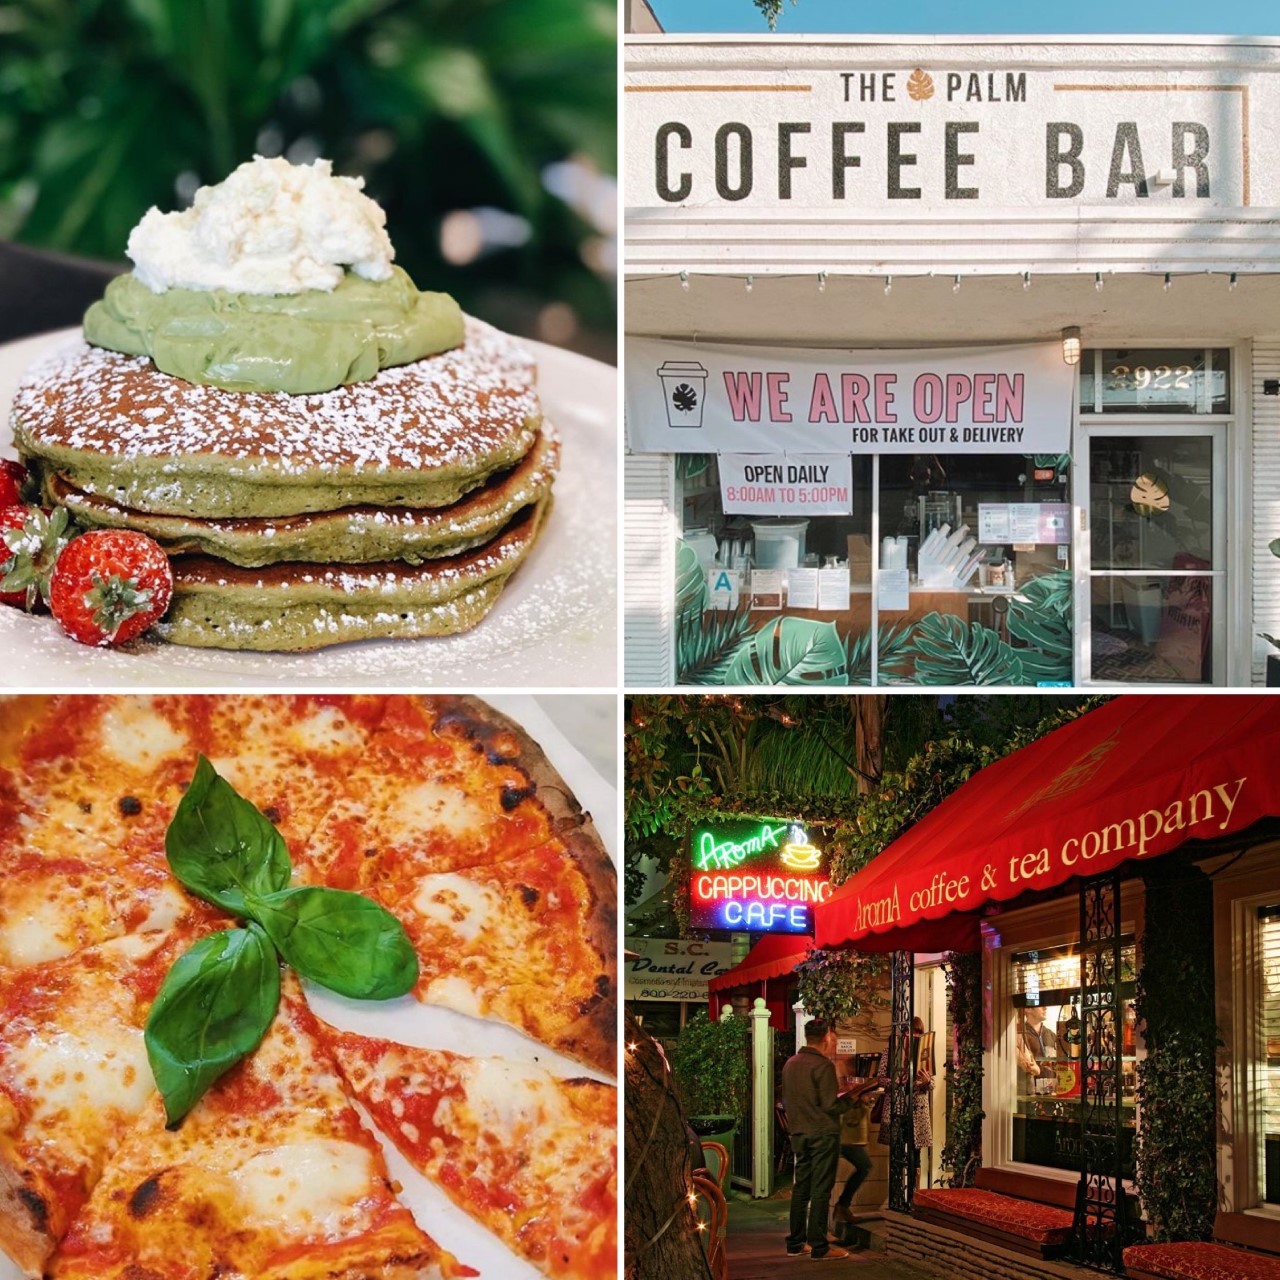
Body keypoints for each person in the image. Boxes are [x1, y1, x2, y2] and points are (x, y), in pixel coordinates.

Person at [780, 1018, 851, 1260]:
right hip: (822, 1134)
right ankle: (820, 1246)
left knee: (801, 1189)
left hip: (799, 1132)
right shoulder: (822, 1066)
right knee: (821, 1189)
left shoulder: (791, 1063)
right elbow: (830, 1104)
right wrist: (853, 1099)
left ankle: (796, 1243)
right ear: (827, 1037)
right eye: (832, 1037)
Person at [831, 1078, 879, 1233]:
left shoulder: (856, 1100)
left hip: (850, 1142)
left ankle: (843, 1207)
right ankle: (842, 1206)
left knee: (863, 1167)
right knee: (864, 1167)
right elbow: (852, 1121)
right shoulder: (848, 1100)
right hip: (847, 1142)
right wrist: (863, 1101)